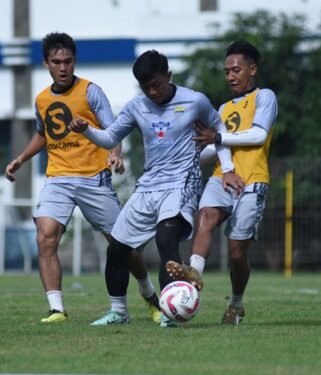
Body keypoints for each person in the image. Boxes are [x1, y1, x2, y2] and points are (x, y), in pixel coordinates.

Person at [69, 50, 243, 327]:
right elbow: (111, 136)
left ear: (168, 76)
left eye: (156, 85)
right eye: (145, 87)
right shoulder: (137, 106)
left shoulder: (195, 101)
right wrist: (86, 130)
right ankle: (118, 312)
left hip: (181, 183)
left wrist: (228, 169)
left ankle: (169, 312)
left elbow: (219, 129)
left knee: (166, 239)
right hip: (149, 185)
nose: (152, 92)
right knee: (116, 249)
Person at [5, 32, 160, 324]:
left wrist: (116, 154)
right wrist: (21, 159)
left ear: (74, 61)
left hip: (93, 178)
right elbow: (43, 133)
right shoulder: (41, 99)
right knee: (45, 237)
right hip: (58, 178)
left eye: (68, 61)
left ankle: (149, 294)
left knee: (121, 245)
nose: (63, 68)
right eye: (56, 62)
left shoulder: (90, 91)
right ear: (46, 64)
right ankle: (56, 309)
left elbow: (113, 129)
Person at [166, 40, 278, 325]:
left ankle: (236, 304)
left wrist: (217, 137)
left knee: (237, 254)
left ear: (252, 70)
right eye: (227, 71)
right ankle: (194, 276)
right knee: (205, 216)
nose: (230, 76)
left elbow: (257, 136)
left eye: (236, 70)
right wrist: (191, 151)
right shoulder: (224, 108)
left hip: (253, 180)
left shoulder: (265, 97)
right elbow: (216, 147)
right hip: (222, 177)